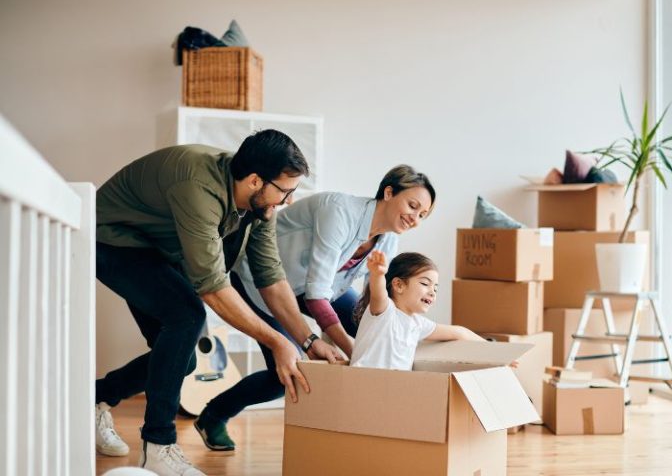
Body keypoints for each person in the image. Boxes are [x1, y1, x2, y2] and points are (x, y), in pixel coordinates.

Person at [93, 130, 340, 476]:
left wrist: (308, 340)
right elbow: (211, 285)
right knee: (185, 317)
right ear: (255, 180)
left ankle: (95, 398)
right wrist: (276, 340)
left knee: (185, 358)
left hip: (157, 248)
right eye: (285, 190)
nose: (287, 201)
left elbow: (271, 276)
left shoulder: (258, 207)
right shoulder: (199, 186)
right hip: (112, 237)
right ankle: (158, 446)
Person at [194, 165, 435, 451]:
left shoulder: (389, 239)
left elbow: (378, 303)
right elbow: (317, 294)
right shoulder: (339, 211)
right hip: (262, 281)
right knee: (284, 372)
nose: (415, 218)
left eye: (423, 215)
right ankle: (213, 416)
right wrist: (352, 349)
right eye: (413, 205)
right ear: (389, 192)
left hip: (316, 289)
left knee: (375, 330)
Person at [350, 251, 485, 370]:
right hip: (363, 383)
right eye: (425, 284)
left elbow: (460, 332)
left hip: (392, 390)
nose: (432, 292)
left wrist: (496, 350)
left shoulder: (418, 324)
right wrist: (378, 274)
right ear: (398, 285)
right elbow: (378, 293)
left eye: (435, 288)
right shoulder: (385, 310)